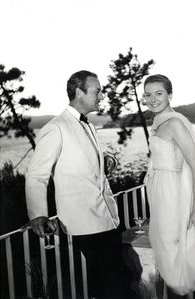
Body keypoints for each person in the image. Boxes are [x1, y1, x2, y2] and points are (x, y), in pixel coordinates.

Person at [25, 70, 136, 299]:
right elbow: (36, 175)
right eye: (97, 91)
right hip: (85, 223)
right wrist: (38, 215)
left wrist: (105, 160)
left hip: (107, 218)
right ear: (79, 92)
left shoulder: (89, 126)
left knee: (114, 283)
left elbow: (85, 161)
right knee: (115, 285)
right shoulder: (57, 128)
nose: (101, 96)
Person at [143, 74, 195, 298]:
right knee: (168, 252)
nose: (153, 99)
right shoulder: (159, 123)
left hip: (173, 197)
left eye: (159, 93)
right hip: (161, 195)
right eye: (148, 95)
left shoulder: (175, 124)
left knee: (176, 254)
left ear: (170, 95)